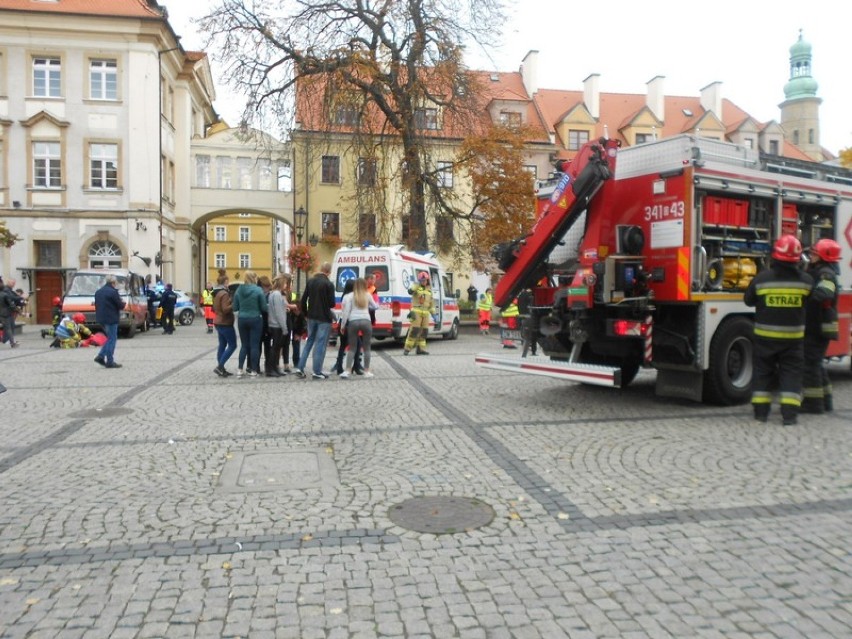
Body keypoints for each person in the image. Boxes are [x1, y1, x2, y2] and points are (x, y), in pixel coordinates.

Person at [744, 235, 813, 425]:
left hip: (765, 339)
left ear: (775, 255)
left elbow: (748, 300)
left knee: (762, 373)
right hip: (793, 341)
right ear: (798, 259)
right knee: (791, 375)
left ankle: (761, 414)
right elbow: (810, 303)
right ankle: (789, 417)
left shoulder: (762, 279)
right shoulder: (806, 282)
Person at [801, 238, 841, 414]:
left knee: (811, 365)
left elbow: (824, 294)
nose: (811, 256)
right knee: (816, 364)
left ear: (824, 256)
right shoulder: (821, 271)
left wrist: (805, 297)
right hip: (818, 325)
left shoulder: (826, 274)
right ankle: (826, 401)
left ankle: (814, 404)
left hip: (819, 327)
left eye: (814, 254)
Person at [295, 262, 335, 380]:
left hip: (311, 317)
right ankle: (317, 371)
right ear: (329, 271)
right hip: (324, 318)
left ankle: (300, 368)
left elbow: (303, 300)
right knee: (320, 344)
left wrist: (306, 314)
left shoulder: (311, 281)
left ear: (321, 269)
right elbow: (332, 303)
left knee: (309, 342)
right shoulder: (328, 284)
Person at [339, 278, 378, 378]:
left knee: (352, 347)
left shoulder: (349, 296)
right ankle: (366, 371)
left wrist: (343, 325)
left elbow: (346, 312)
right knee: (367, 347)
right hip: (366, 321)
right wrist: (370, 306)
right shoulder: (368, 295)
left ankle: (347, 370)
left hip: (353, 321)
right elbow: (375, 306)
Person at [232, 271, 267, 377]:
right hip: (255, 319)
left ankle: (239, 369)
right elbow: (264, 308)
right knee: (254, 346)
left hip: (242, 319)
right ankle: (253, 370)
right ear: (254, 278)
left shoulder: (239, 289)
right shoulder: (258, 290)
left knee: (244, 345)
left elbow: (235, 307)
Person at [332, 279, 363, 376]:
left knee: (343, 345)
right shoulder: (351, 297)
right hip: (349, 323)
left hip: (345, 322)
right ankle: (356, 367)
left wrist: (342, 325)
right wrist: (343, 325)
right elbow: (346, 313)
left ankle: (340, 367)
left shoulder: (344, 296)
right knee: (357, 345)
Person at [94, 274, 126, 368]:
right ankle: (108, 360)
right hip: (111, 318)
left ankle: (102, 356)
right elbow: (119, 305)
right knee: (112, 339)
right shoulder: (113, 292)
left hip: (101, 318)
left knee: (109, 338)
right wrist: (123, 303)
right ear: (113, 282)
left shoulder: (98, 292)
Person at [212, 270, 237, 377]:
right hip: (225, 322)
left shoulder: (217, 293)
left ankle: (221, 368)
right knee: (232, 345)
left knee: (222, 345)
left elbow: (215, 308)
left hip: (218, 321)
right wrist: (233, 303)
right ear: (226, 281)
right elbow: (225, 309)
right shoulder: (225, 294)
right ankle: (220, 366)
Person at [403, 271, 434, 355]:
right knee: (415, 330)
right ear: (420, 280)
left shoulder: (429, 290)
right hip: (416, 311)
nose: (424, 281)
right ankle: (407, 348)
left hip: (426, 313)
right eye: (422, 280)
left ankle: (421, 349)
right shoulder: (416, 287)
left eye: (425, 280)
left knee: (424, 331)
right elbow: (410, 291)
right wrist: (415, 286)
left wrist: (433, 312)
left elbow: (431, 302)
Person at [266, 275, 290, 377]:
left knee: (276, 348)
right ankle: (271, 369)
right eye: (285, 283)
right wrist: (284, 327)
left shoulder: (274, 294)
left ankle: (274, 368)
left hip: (274, 324)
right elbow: (279, 313)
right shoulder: (277, 295)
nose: (286, 285)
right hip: (277, 325)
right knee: (275, 348)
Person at [0, 277, 24, 348]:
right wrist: (19, 311)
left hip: (2, 313)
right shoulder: (5, 295)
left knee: (9, 327)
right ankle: (12, 343)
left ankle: (6, 340)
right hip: (6, 313)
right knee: (9, 328)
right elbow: (12, 305)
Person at [288, 294, 306, 372]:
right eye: (295, 310)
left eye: (297, 310)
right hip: (291, 330)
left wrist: (299, 334)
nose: (296, 312)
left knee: (296, 346)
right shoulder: (291, 315)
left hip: (297, 332)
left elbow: (303, 326)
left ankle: (296, 362)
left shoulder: (301, 316)